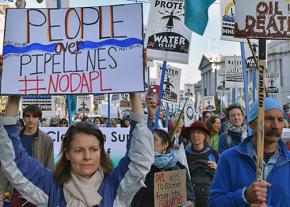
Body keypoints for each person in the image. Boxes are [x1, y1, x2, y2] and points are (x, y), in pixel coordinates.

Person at [0, 93, 154, 206]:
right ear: (67, 153)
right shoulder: (51, 185)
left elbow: (139, 158)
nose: (87, 157)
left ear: (101, 151)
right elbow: (14, 159)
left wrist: (134, 94)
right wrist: (14, 95)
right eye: (79, 150)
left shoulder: (115, 186)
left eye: (94, 149)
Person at [208, 97, 290, 207]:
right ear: (252, 123)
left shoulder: (287, 161)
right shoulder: (229, 159)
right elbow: (214, 203)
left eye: (280, 120)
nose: (276, 126)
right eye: (268, 119)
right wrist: (244, 196)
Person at [0, 104, 54, 207]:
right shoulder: (14, 139)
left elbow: (50, 166)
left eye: (34, 116)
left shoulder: (47, 140)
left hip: (38, 191)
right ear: (23, 117)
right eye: (28, 116)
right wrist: (1, 192)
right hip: (15, 191)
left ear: (39, 118)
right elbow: (5, 168)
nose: (31, 119)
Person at [130, 127, 194, 207]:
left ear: (165, 145)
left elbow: (190, 196)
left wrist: (189, 202)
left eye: (154, 140)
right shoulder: (141, 166)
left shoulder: (179, 168)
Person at [181, 121, 219, 207]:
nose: (195, 135)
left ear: (205, 135)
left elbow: (222, 176)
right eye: (193, 132)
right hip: (190, 198)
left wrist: (218, 168)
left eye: (199, 132)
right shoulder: (184, 154)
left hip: (209, 198)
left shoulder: (213, 153)